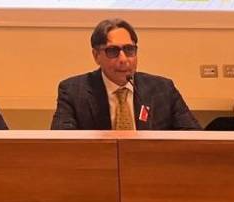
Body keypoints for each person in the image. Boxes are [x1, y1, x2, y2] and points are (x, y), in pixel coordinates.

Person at [51, 18, 200, 130]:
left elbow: (193, 136)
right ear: (96, 56)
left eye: (129, 50)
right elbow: (62, 143)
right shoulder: (73, 91)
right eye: (113, 51)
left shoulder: (163, 89)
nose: (123, 59)